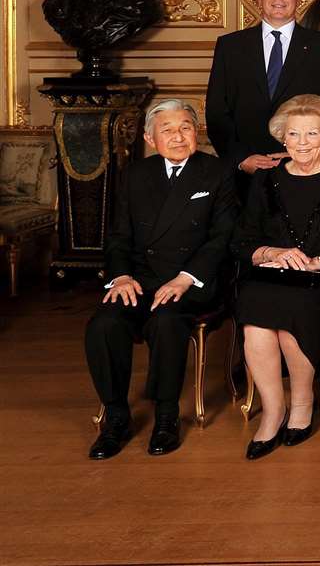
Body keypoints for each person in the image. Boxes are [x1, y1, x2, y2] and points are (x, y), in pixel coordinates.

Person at [85, 100, 238, 460]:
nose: (178, 136)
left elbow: (223, 238)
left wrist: (186, 278)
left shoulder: (217, 172)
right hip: (138, 279)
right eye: (167, 129)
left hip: (192, 281)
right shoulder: (135, 174)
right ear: (150, 138)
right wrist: (120, 275)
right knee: (104, 324)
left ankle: (166, 415)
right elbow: (118, 236)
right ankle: (116, 416)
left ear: (196, 132)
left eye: (185, 127)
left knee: (167, 322)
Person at [231, 94, 320, 460]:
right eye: (294, 135)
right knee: (255, 307)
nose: (303, 142)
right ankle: (273, 409)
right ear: (282, 139)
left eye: (312, 134)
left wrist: (313, 264)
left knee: (294, 302)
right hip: (275, 272)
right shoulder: (266, 179)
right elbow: (244, 239)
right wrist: (274, 255)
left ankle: (302, 404)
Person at [205, 0, 320, 184]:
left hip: (306, 171)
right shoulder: (230, 46)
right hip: (244, 174)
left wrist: (304, 153)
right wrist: (241, 158)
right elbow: (216, 111)